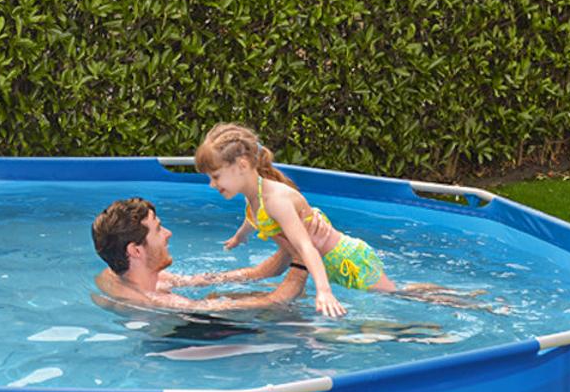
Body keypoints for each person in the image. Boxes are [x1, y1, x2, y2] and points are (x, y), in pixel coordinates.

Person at [181, 122, 481, 313]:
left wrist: (323, 291)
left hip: (349, 260)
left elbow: (306, 246)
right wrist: (240, 237)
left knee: (399, 296)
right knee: (397, 292)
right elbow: (253, 218)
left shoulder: (276, 200)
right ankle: (456, 294)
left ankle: (470, 300)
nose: (212, 185)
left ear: (242, 165)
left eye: (215, 176)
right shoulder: (254, 195)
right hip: (332, 263)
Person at [91, 197, 307, 311]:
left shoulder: (119, 273)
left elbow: (253, 273)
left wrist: (289, 245)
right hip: (186, 338)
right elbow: (277, 300)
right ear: (135, 250)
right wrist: (303, 257)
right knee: (277, 313)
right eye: (158, 229)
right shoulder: (158, 302)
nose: (168, 233)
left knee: (220, 294)